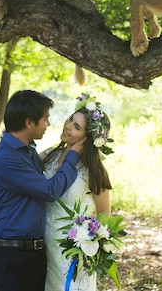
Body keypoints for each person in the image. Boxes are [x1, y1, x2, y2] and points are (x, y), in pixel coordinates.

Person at [0, 90, 85, 291]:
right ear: (29, 123)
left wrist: (61, 148)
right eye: (45, 119)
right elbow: (49, 190)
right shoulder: (8, 158)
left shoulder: (27, 150)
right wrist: (72, 157)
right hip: (13, 255)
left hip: (33, 253)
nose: (48, 124)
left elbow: (41, 164)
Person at [42, 93, 114, 291]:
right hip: (43, 247)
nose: (68, 126)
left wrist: (87, 247)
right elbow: (26, 168)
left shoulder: (93, 172)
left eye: (77, 127)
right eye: (70, 119)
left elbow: (104, 218)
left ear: (88, 137)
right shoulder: (51, 155)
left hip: (72, 252)